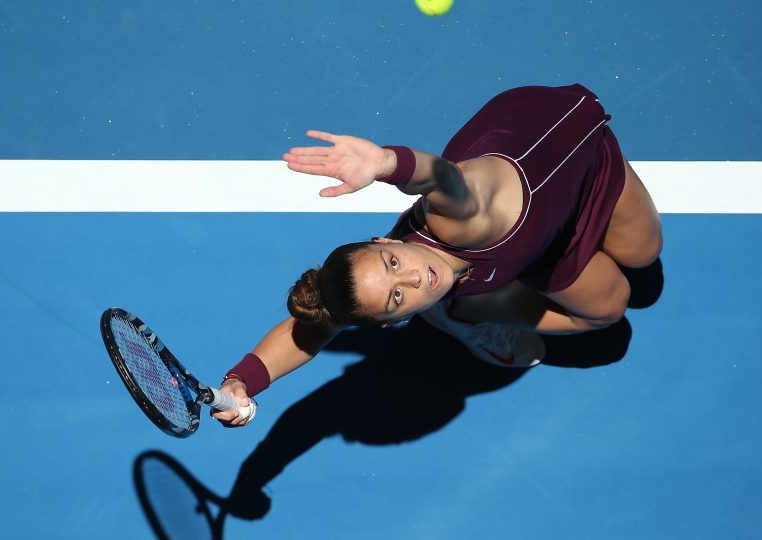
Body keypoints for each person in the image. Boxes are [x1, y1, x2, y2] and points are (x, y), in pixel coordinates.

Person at [213, 84, 662, 428]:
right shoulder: (403, 276)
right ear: (394, 323)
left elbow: (445, 179)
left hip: (578, 152)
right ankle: (465, 314)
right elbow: (310, 329)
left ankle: (459, 307)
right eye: (395, 299)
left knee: (643, 253)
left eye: (392, 264)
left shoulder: (456, 219)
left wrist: (388, 163)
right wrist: (242, 382)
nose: (412, 279)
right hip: (535, 244)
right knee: (608, 308)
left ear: (385, 241)